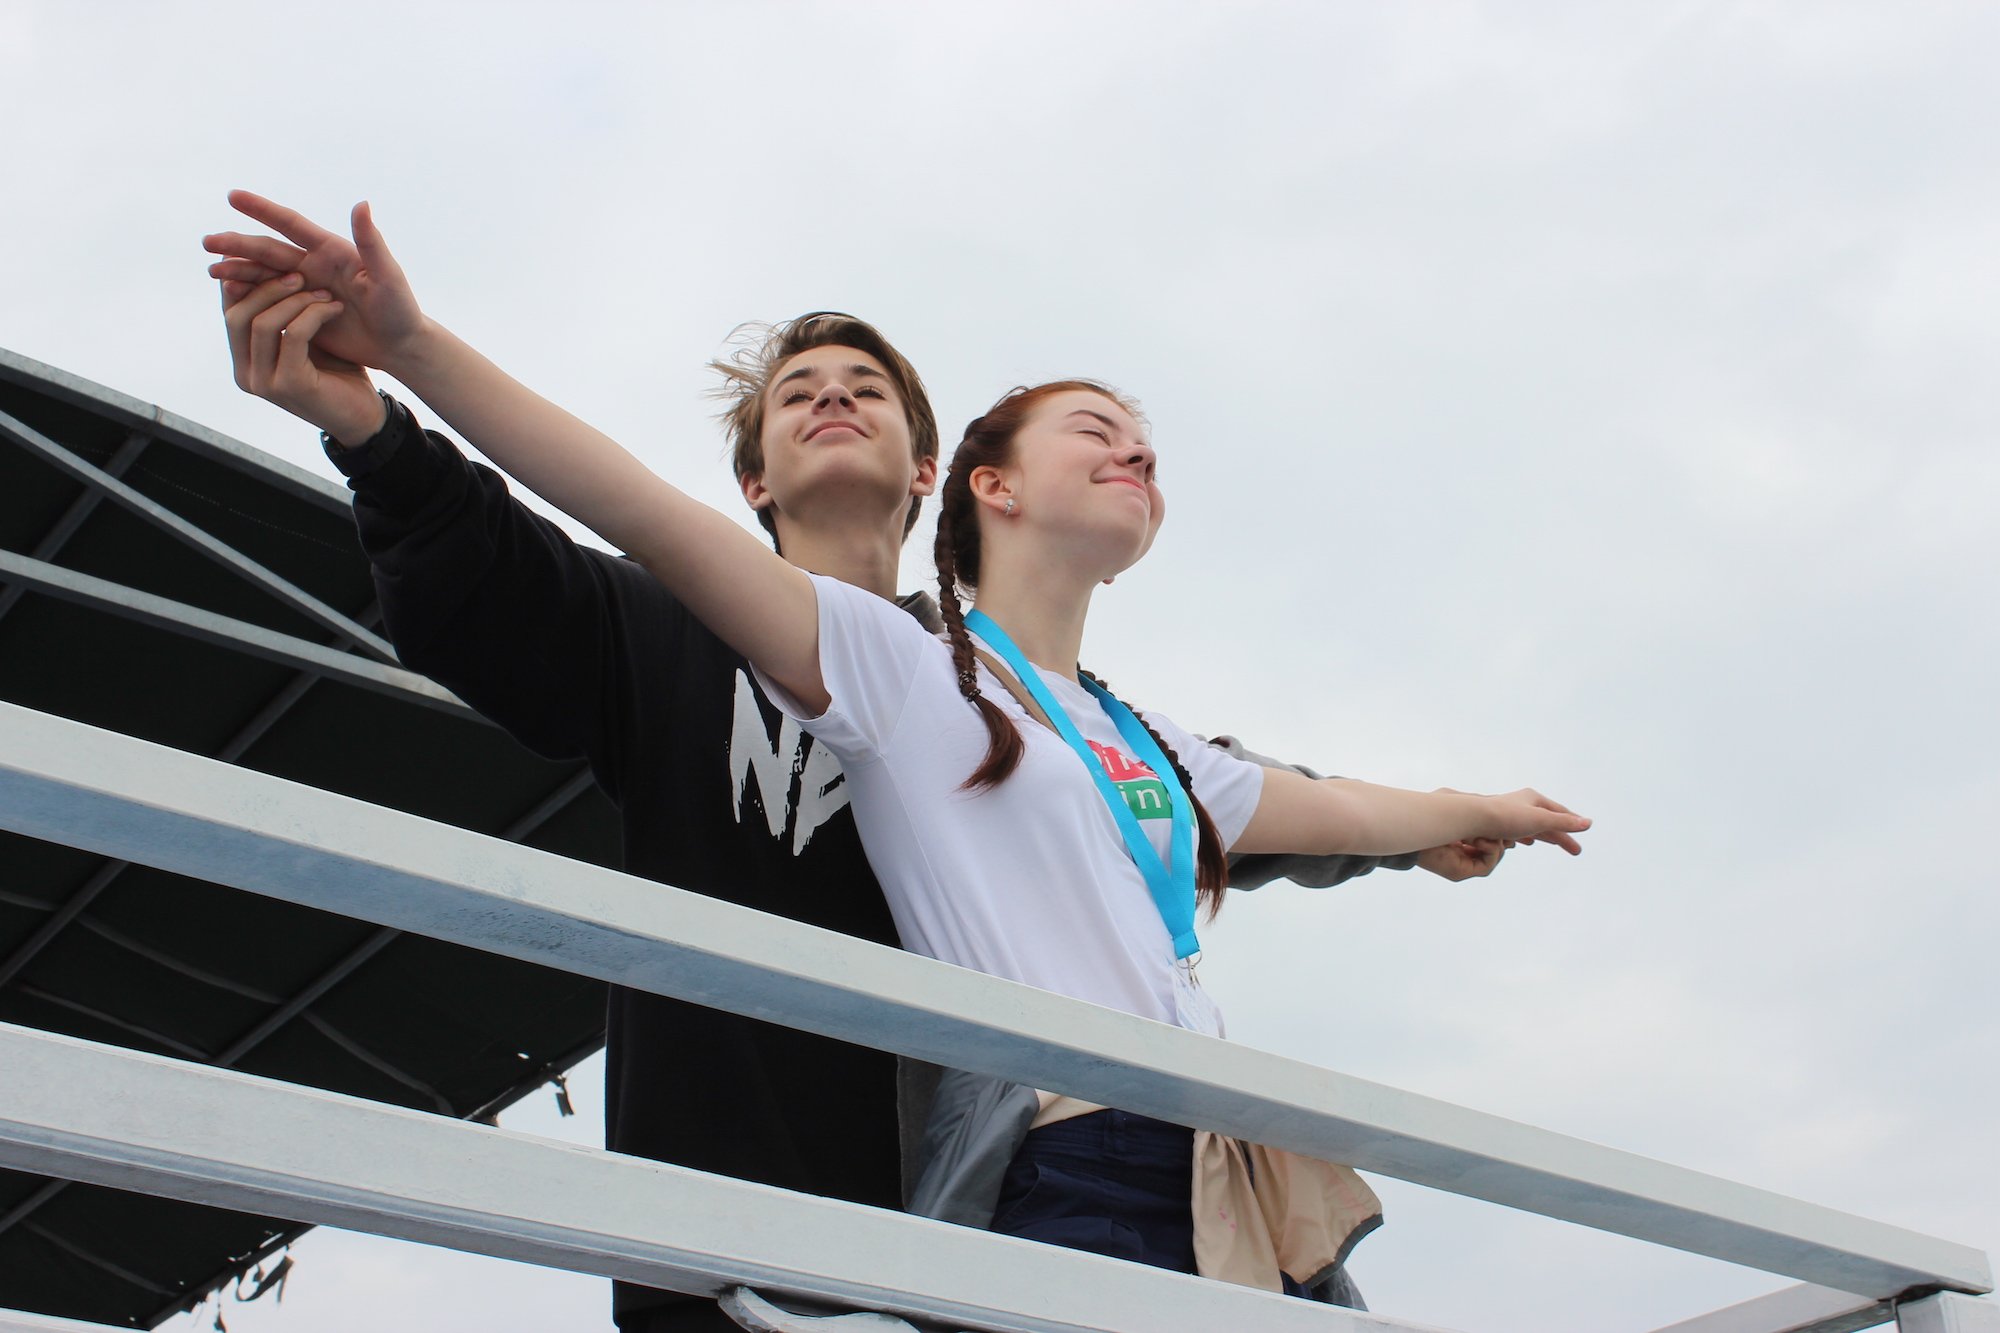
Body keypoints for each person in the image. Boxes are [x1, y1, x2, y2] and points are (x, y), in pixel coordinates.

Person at [205, 195, 1570, 1318]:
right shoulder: (675, 631)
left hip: (975, 1200)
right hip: (745, 1224)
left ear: (930, 471)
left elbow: (1197, 805)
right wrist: (378, 424)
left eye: (867, 388)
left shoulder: (1000, 688)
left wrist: (1433, 828)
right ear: (753, 479)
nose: (833, 399)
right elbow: (513, 562)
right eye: (797, 393)